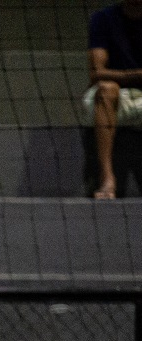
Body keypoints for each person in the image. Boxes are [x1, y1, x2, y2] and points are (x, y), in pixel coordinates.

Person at [84, 0, 142, 198]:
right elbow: (96, 73)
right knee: (106, 90)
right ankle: (107, 179)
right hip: (115, 95)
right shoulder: (104, 19)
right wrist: (134, 75)